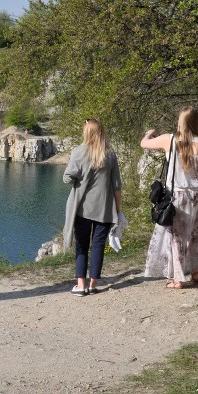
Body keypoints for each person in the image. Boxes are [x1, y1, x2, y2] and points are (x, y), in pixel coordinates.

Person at [141, 107, 198, 288]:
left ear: (180, 122)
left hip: (177, 196)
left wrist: (150, 134)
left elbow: (144, 143)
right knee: (195, 233)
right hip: (197, 196)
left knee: (177, 238)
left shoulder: (169, 140)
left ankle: (178, 278)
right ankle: (195, 272)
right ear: (196, 122)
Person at [63, 118, 124, 296]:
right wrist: (118, 211)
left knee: (82, 245)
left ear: (87, 133)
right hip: (104, 209)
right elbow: (117, 187)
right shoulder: (110, 154)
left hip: (82, 208)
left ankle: (80, 285)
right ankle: (92, 284)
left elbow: (67, 178)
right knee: (97, 245)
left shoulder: (79, 151)